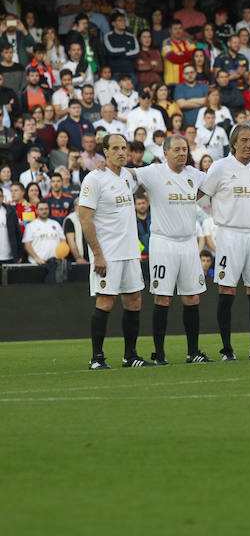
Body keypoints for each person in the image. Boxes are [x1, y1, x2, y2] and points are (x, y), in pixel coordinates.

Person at [126, 134, 211, 364]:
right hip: (163, 242)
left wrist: (196, 195)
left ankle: (193, 352)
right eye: (177, 150)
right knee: (163, 297)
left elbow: (212, 184)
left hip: (188, 242)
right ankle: (159, 353)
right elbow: (131, 173)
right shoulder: (154, 172)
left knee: (192, 297)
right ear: (165, 153)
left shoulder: (194, 174)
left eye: (184, 149)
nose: (182, 153)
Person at [199, 125, 250, 361]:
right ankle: (227, 349)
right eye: (244, 140)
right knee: (227, 289)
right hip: (229, 234)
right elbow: (200, 195)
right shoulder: (220, 167)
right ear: (233, 143)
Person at [78, 134, 147, 369]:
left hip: (130, 251)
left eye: (124, 148)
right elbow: (85, 218)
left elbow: (146, 179)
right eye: (115, 148)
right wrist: (96, 253)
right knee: (106, 301)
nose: (121, 152)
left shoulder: (128, 176)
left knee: (134, 301)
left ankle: (131, 356)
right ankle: (96, 358)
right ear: (104, 152)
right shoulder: (94, 179)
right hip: (108, 253)